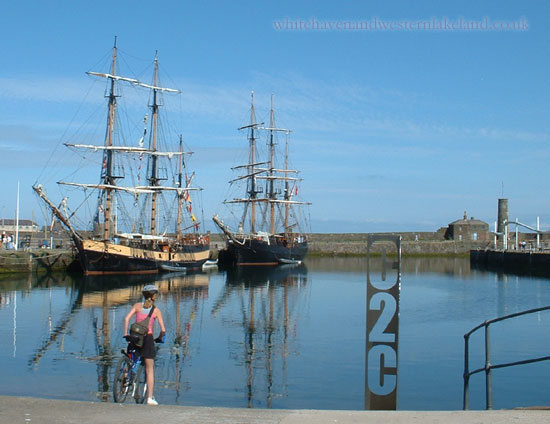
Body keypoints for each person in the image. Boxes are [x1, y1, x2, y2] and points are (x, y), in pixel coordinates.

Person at [124, 284, 166, 405]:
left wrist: (126, 333)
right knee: (149, 369)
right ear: (153, 296)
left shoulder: (137, 306)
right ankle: (150, 398)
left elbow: (127, 319)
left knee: (131, 359)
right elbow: (163, 330)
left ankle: (124, 379)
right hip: (147, 339)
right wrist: (160, 337)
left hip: (134, 338)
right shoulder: (156, 310)